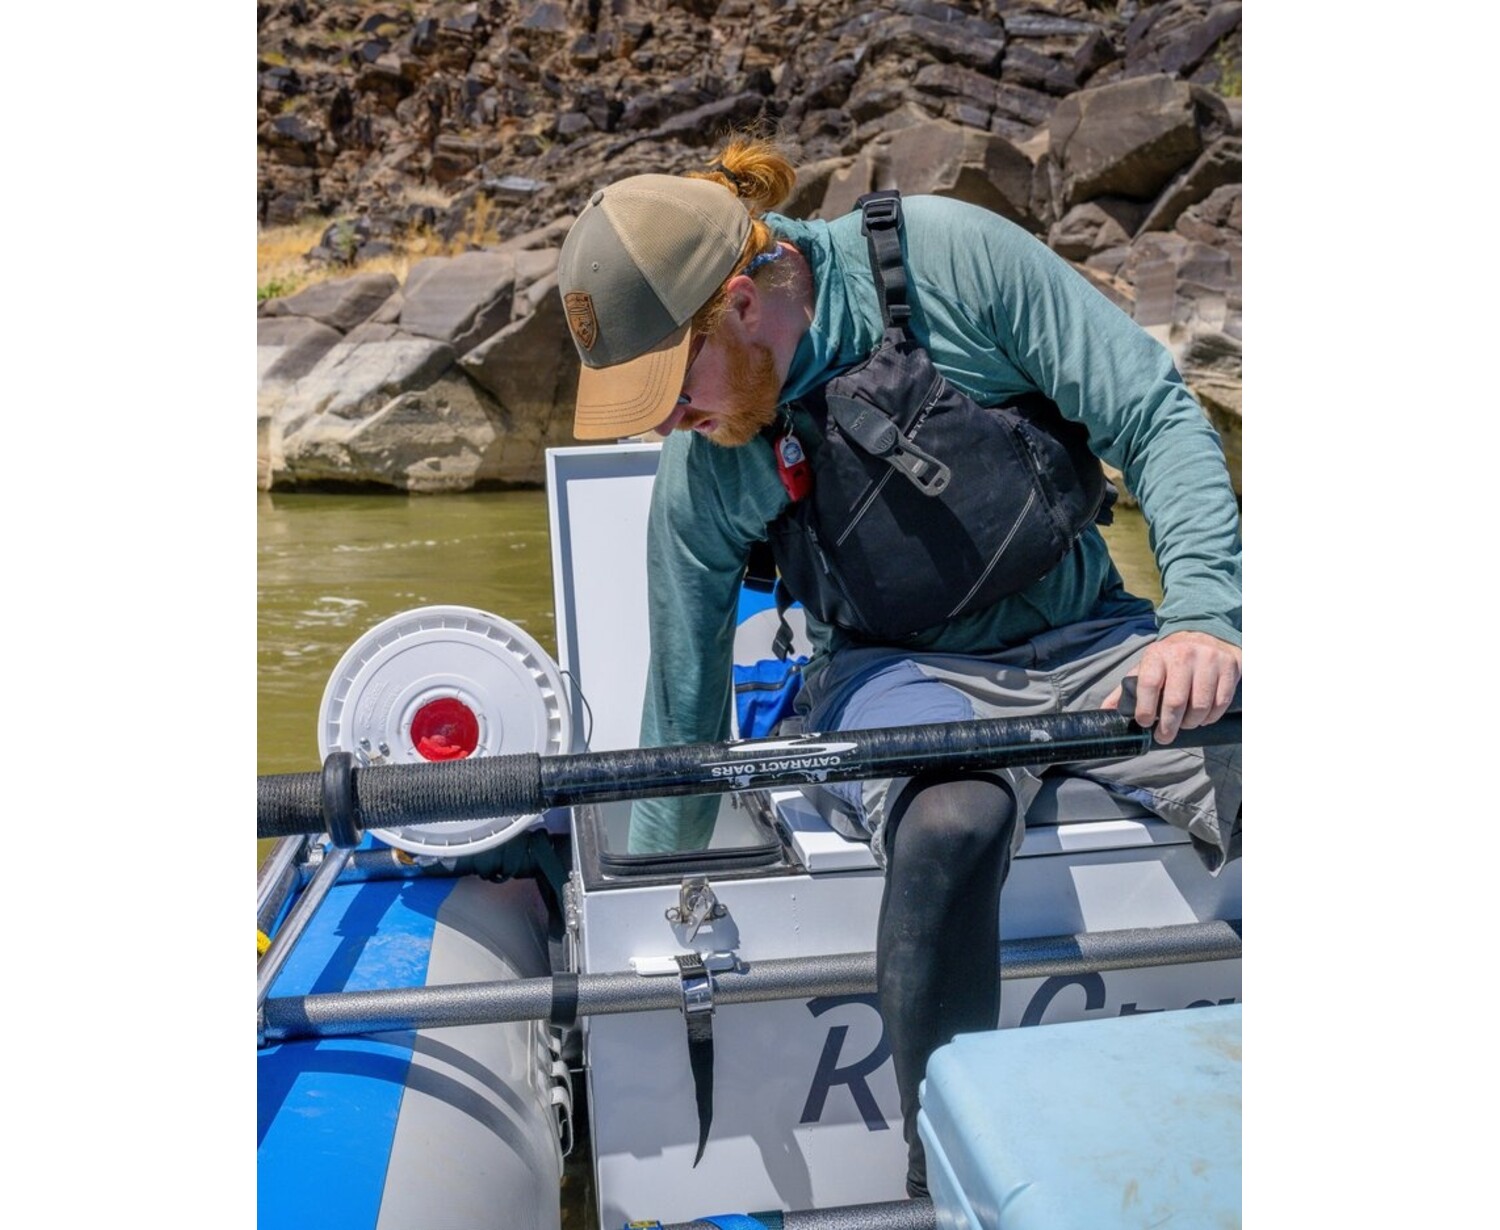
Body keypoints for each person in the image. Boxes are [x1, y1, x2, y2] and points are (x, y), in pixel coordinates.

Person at [556, 136, 1242, 1198]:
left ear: (742, 303)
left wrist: (1203, 622)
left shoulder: (953, 261)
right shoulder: (707, 469)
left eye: (671, 387)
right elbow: (681, 707)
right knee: (954, 818)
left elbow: (1153, 411)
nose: (662, 423)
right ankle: (945, 1175)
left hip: (1095, 640)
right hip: (891, 676)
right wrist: (644, 930)